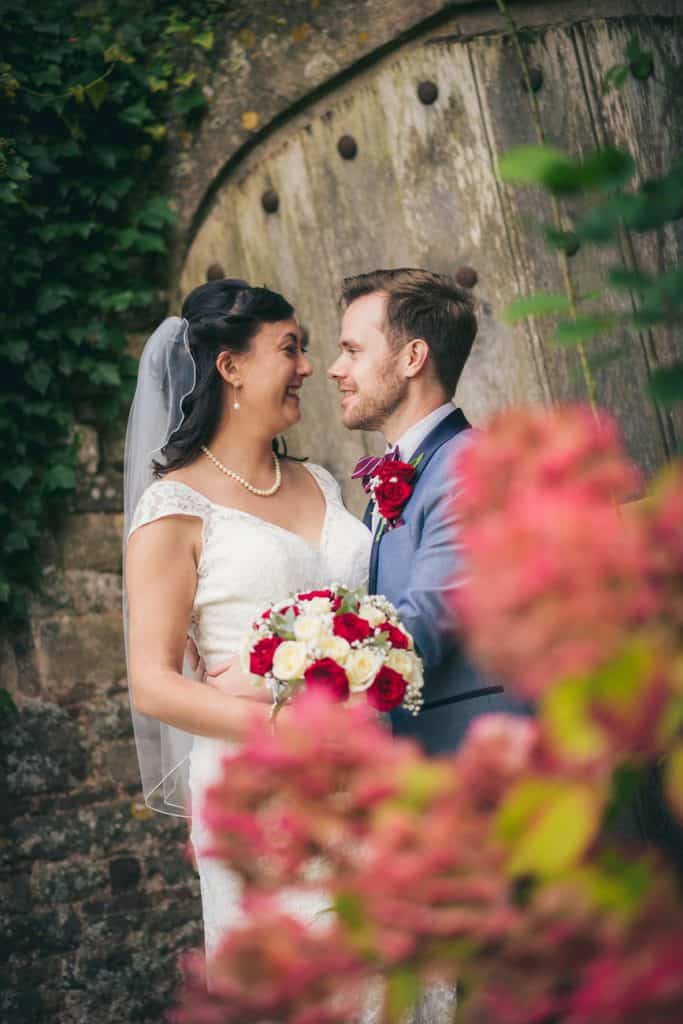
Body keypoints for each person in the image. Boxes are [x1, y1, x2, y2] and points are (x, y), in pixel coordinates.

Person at [123, 277, 371, 958]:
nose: (308, 368)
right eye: (289, 349)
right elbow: (152, 683)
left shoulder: (320, 481)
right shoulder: (174, 506)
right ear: (229, 366)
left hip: (369, 778)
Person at [329, 268, 531, 757]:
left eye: (353, 351)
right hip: (426, 763)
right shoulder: (398, 472)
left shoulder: (468, 466)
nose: (336, 368)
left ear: (412, 358)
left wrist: (289, 677)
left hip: (479, 755)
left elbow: (427, 623)